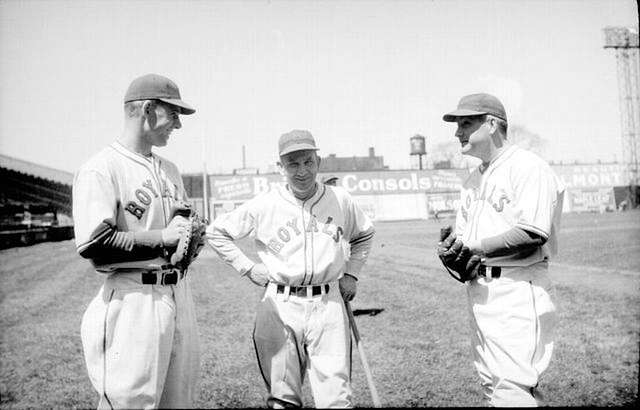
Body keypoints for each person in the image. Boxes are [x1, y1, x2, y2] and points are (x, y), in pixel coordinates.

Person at [208, 130, 375, 408]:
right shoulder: (265, 203)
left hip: (328, 303)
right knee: (283, 398)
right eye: (293, 164)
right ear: (281, 167)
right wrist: (247, 267)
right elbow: (216, 232)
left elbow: (365, 235)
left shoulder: (339, 198)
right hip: (280, 304)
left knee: (336, 398)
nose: (302, 171)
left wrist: (352, 273)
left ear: (318, 162)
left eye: (308, 162)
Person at [73, 73, 200, 408]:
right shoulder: (101, 168)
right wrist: (162, 237)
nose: (178, 125)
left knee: (179, 402)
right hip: (132, 298)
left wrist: (189, 241)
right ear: (147, 109)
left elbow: (181, 231)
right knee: (130, 403)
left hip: (177, 293)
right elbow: (94, 246)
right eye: (173, 114)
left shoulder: (170, 169)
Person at [439, 93, 564, 407]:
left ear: (492, 124)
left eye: (466, 123)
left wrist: (473, 247)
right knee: (494, 387)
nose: (458, 133)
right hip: (480, 290)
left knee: (513, 390)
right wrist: (454, 256)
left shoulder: (527, 167)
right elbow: (468, 248)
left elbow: (533, 233)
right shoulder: (472, 179)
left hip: (517, 290)